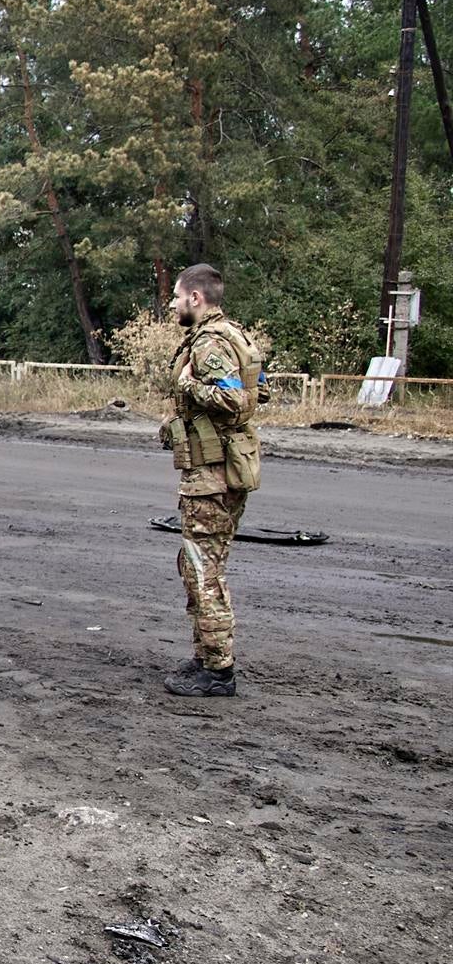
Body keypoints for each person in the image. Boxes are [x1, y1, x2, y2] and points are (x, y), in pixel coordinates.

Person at [158, 262, 268, 697]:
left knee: (204, 570)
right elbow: (262, 387)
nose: (172, 303)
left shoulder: (210, 343)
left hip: (213, 475)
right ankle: (206, 656)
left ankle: (219, 670)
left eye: (177, 297)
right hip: (222, 470)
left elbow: (239, 401)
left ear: (196, 298)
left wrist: (189, 387)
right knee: (198, 565)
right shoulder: (234, 335)